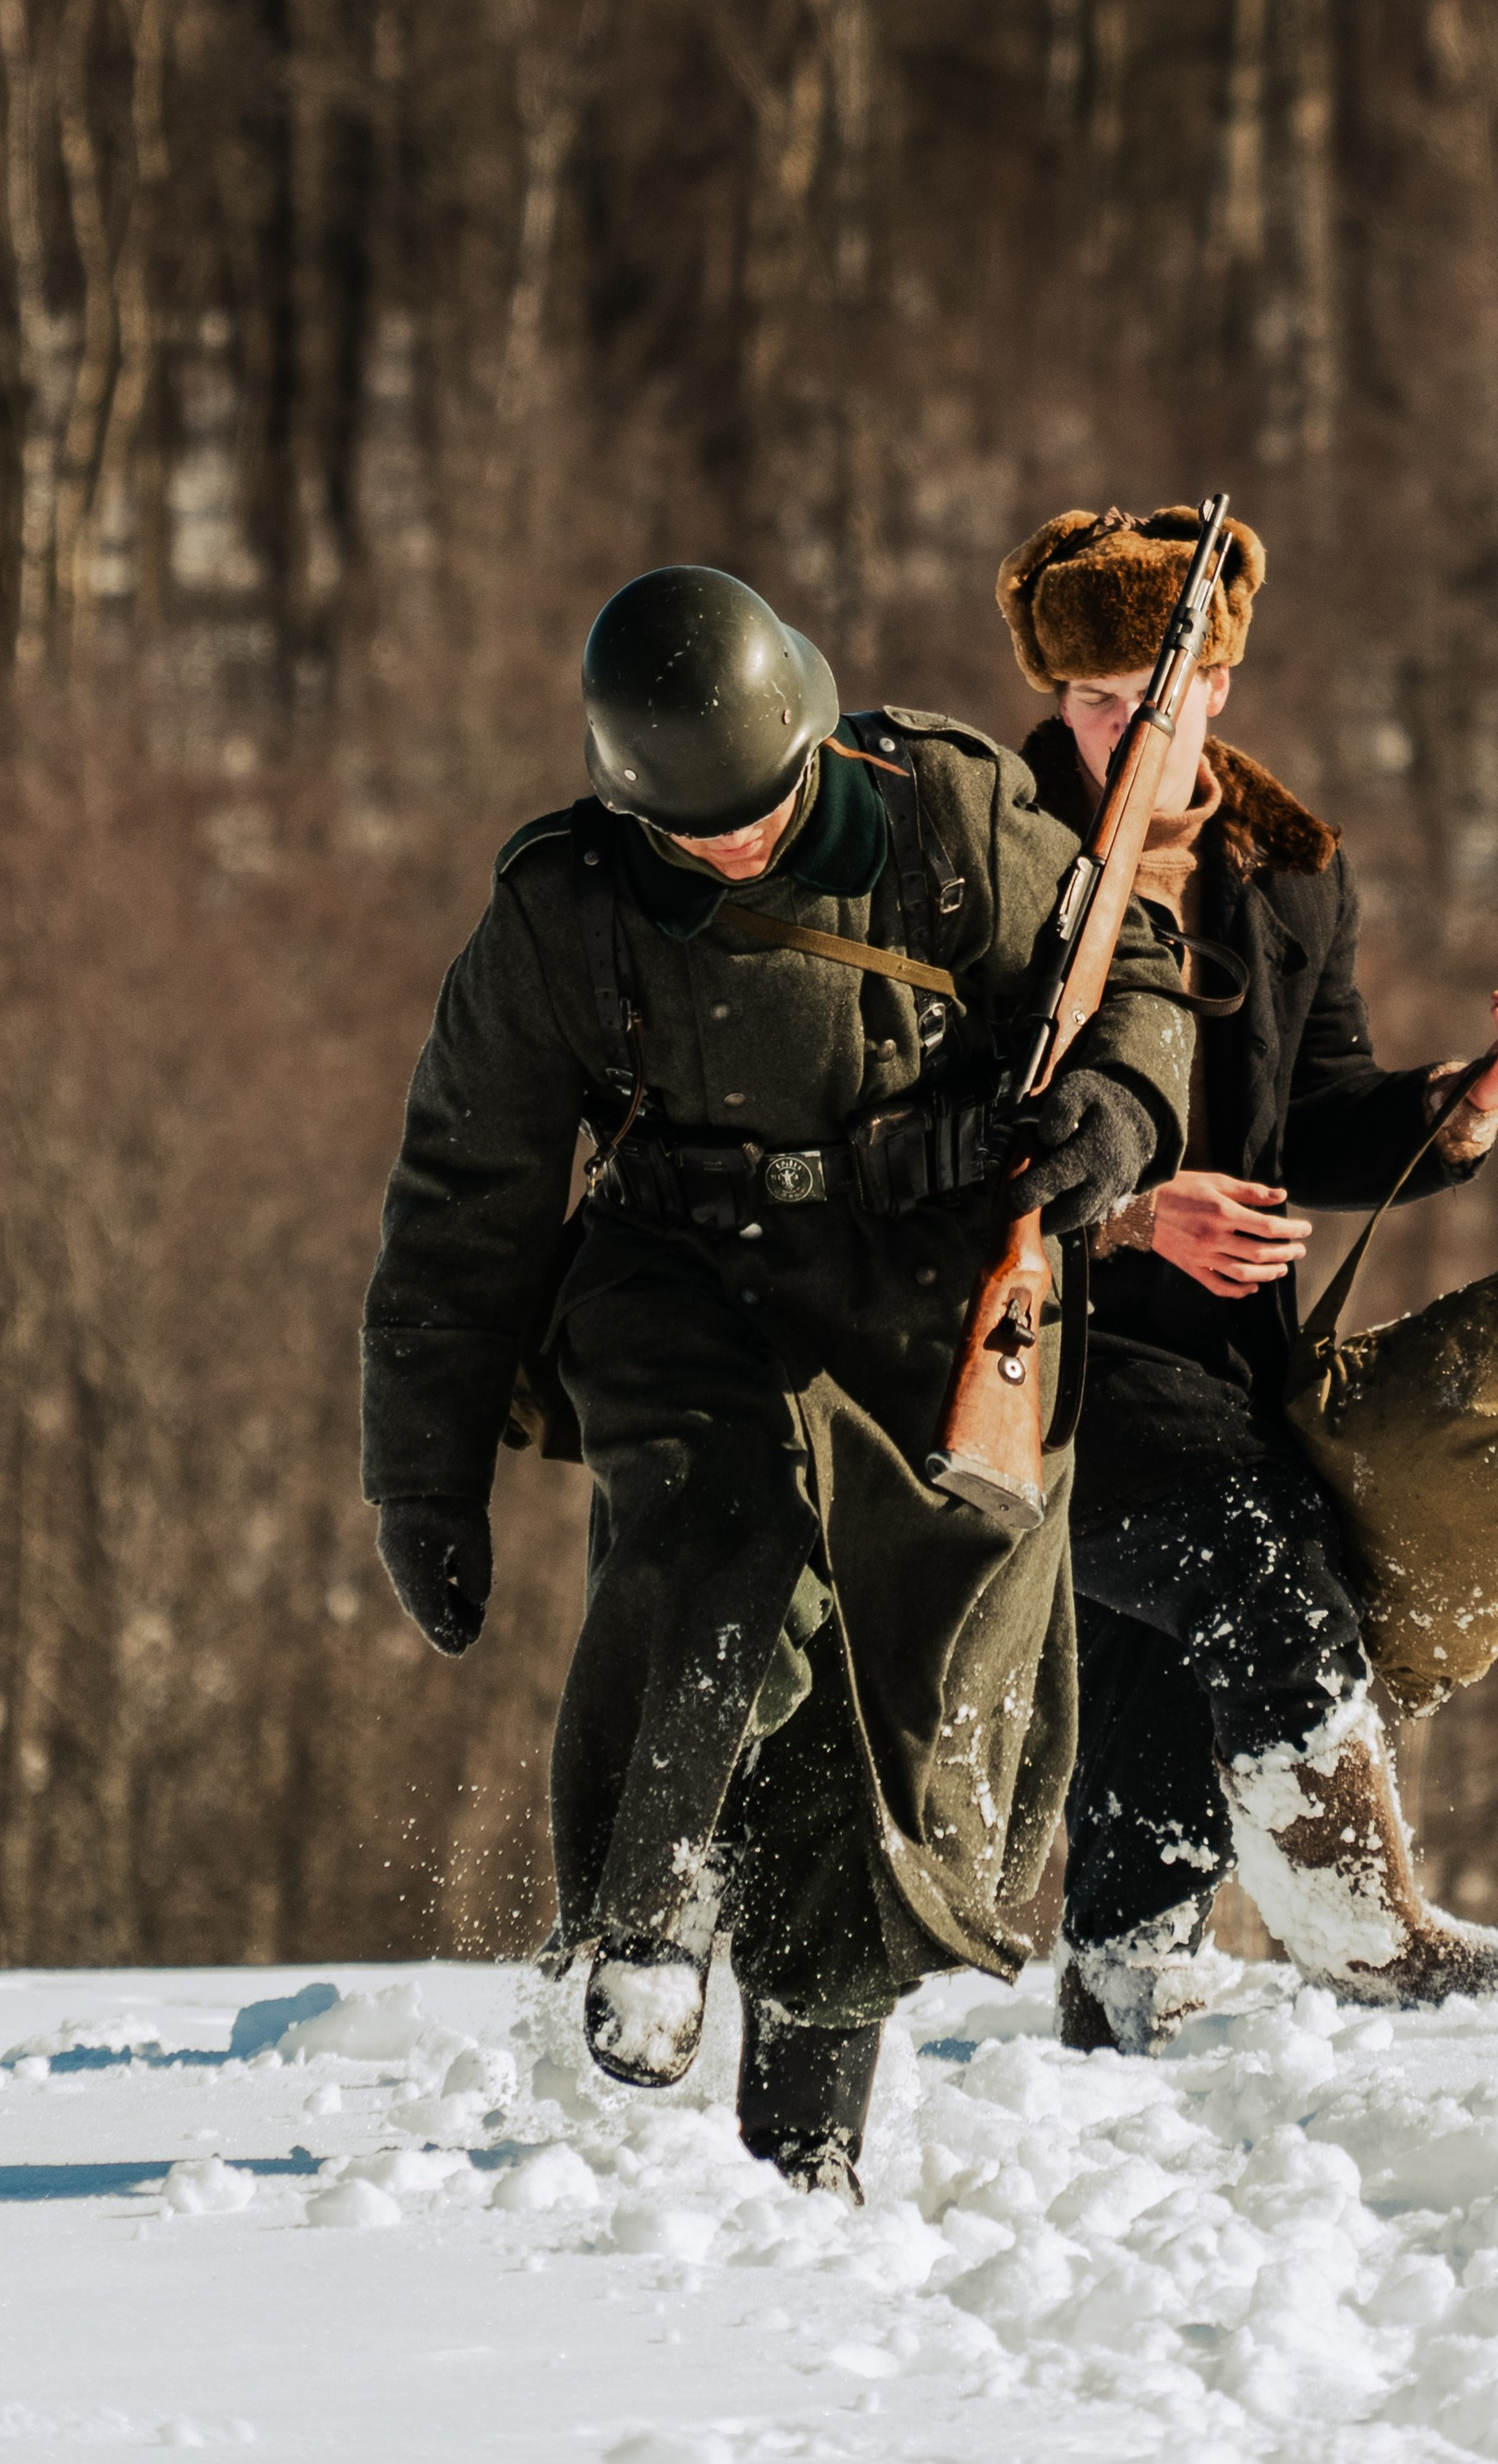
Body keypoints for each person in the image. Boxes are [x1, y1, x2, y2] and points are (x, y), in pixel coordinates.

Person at [361, 565, 1189, 2189]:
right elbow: (463, 1195)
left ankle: (805, 2155)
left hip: (921, 1295)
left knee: (867, 1728)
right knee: (721, 1530)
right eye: (696, 831)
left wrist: (1121, 1109)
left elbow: (1135, 972)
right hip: (680, 1278)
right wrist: (421, 1469)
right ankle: (647, 1905)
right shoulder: (562, 912)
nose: (735, 845)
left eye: (758, 810)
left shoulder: (945, 816)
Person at [993, 504, 1498, 2053]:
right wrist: (1136, 1214)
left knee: (1158, 1631)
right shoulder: (993, 850)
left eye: (1147, 693)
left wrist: (1474, 1098)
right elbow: (946, 1138)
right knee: (1260, 1564)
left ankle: (1128, 1960)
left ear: (1217, 686)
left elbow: (1317, 1117)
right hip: (1033, 1339)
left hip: (1218, 1354)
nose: (1118, 727)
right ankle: (1364, 1927)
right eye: (1089, 699)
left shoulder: (1289, 874)